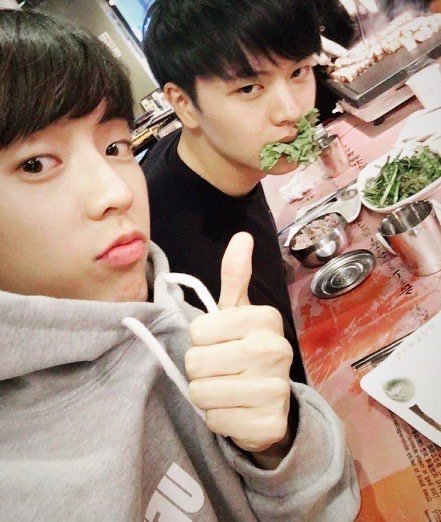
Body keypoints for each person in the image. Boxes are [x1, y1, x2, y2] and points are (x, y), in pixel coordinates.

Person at [0, 9, 360, 521]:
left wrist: (275, 445)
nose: (115, 192)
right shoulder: (167, 250)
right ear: (182, 104)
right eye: (36, 164)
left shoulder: (160, 299)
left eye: (114, 147)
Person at [142, 0, 323, 384]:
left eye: (299, 71)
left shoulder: (216, 158)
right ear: (183, 104)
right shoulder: (178, 253)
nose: (291, 111)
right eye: (249, 88)